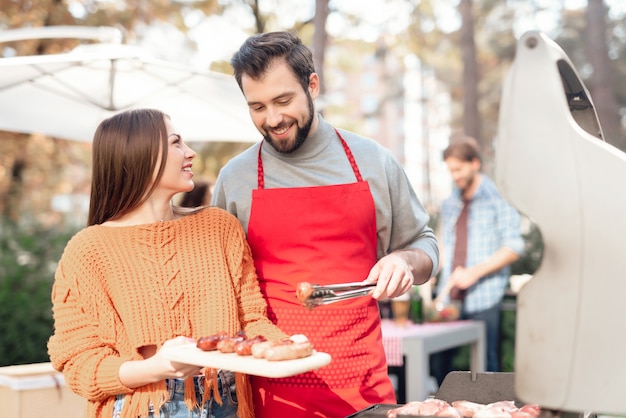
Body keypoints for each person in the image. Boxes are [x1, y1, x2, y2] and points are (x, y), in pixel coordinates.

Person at [211, 31, 439, 417]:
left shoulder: (373, 161)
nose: (273, 119)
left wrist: (404, 262)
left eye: (284, 101)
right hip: (270, 393)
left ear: (312, 85)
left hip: (363, 388)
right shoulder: (235, 178)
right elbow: (218, 284)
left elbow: (424, 244)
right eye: (258, 107)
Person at [47, 108, 288, 418]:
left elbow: (251, 319)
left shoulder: (220, 227)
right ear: (141, 155)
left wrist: (285, 346)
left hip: (225, 403)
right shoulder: (87, 251)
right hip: (140, 406)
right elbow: (79, 364)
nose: (190, 153)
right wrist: (155, 367)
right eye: (176, 143)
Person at [430, 136, 524, 384]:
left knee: (486, 370)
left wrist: (474, 272)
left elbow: (514, 247)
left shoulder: (498, 198)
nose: (454, 176)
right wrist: (427, 275)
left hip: (484, 297)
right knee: (439, 365)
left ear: (475, 163)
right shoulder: (450, 203)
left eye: (458, 169)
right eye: (450, 170)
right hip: (449, 298)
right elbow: (442, 247)